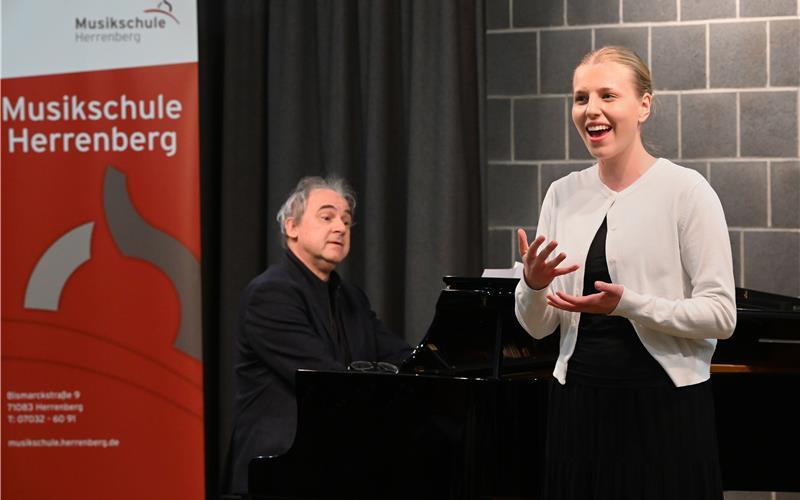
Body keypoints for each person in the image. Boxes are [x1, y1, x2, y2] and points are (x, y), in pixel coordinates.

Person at [515, 46, 736, 500]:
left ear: (644, 106)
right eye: (580, 98)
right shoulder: (561, 194)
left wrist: (629, 305)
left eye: (607, 95)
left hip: (663, 410)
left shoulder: (685, 191)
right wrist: (533, 285)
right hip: (577, 408)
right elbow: (539, 328)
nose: (591, 110)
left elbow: (721, 315)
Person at [224, 176, 411, 494]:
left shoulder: (352, 297)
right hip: (279, 470)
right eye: (327, 217)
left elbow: (398, 354)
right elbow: (324, 381)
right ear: (291, 227)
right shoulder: (269, 294)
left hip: (334, 467)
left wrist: (440, 365)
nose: (340, 227)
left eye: (347, 221)